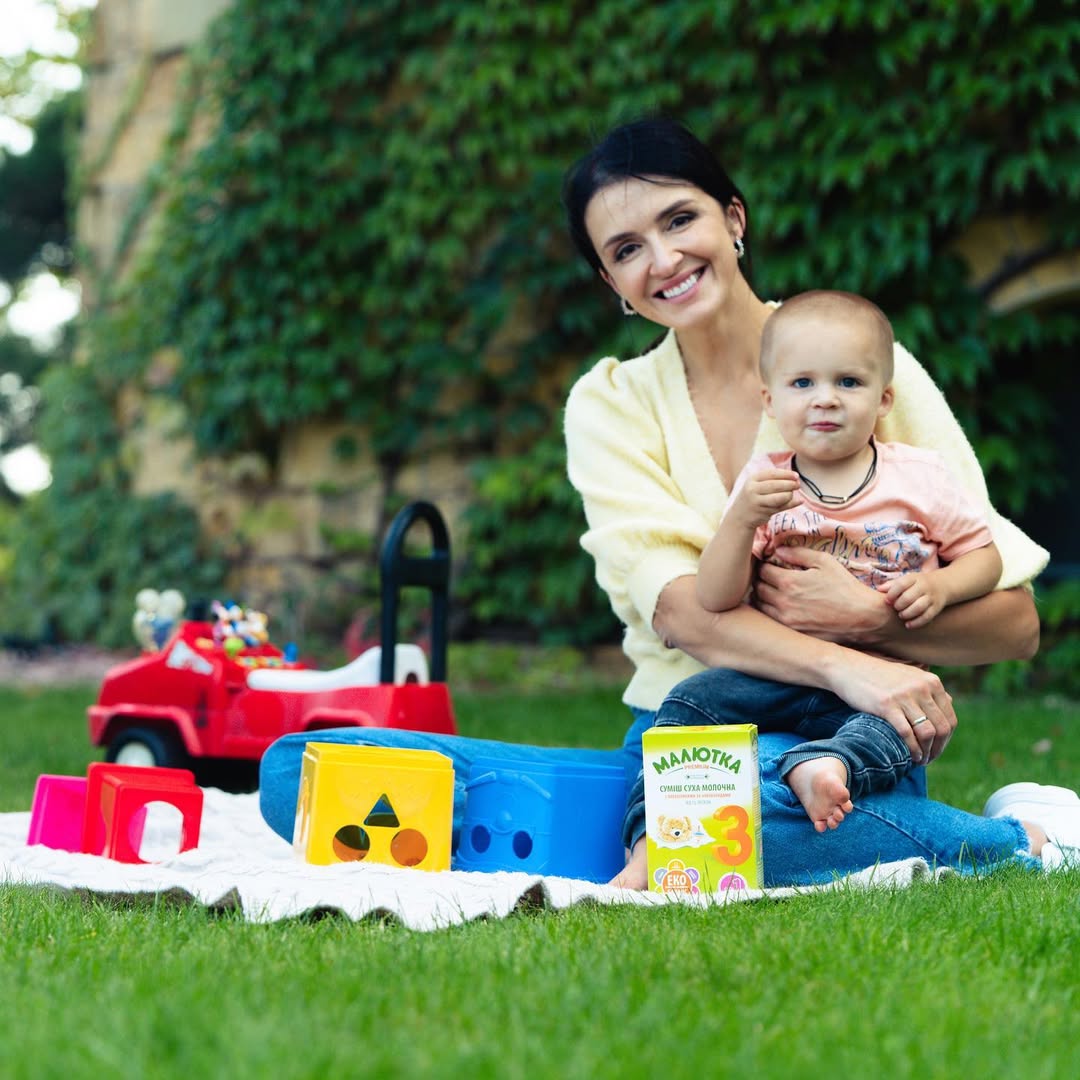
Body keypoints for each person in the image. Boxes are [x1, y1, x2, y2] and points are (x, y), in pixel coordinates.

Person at [259, 116, 1078, 889]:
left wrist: (869, 617)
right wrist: (846, 656)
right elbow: (682, 616)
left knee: (743, 808)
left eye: (680, 219)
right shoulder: (610, 403)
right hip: (687, 722)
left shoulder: (859, 368)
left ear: (733, 217)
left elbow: (1015, 623)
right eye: (626, 248)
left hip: (851, 740)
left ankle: (1009, 844)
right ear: (612, 282)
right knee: (300, 769)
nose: (664, 258)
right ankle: (697, 814)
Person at [672, 289, 1003, 833]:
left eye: (848, 382)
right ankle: (650, 840)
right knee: (689, 701)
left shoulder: (919, 478)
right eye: (802, 383)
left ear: (884, 400)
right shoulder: (764, 484)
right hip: (780, 675)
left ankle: (827, 766)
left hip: (883, 685)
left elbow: (984, 559)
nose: (824, 399)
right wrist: (739, 523)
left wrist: (942, 589)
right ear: (770, 401)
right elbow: (715, 597)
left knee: (898, 730)